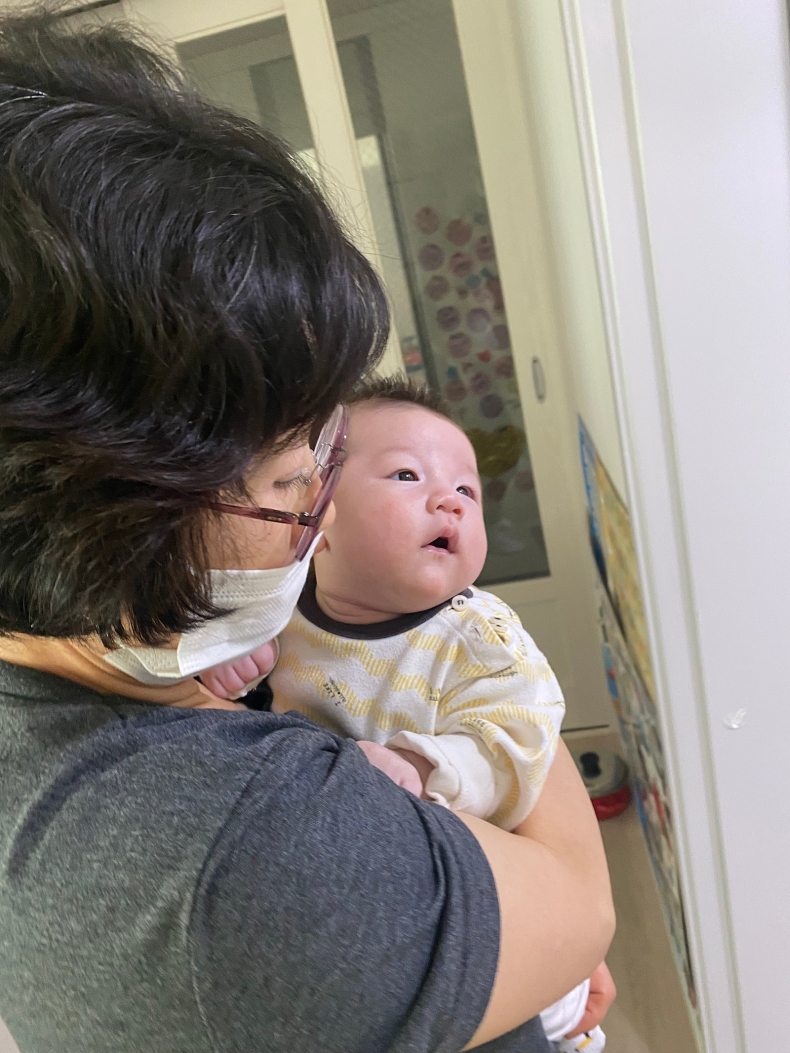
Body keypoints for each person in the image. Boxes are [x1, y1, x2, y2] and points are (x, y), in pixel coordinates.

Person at [0, 9, 615, 1053]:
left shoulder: (139, 668)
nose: (317, 503)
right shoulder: (237, 862)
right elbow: (580, 908)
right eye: (301, 476)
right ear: (121, 526)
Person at [204, 379, 611, 1051]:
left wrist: (421, 764)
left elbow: (516, 739)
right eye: (406, 475)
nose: (450, 499)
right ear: (316, 513)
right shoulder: (283, 603)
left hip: (488, 875)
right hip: (370, 877)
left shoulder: (480, 639)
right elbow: (242, 682)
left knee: (560, 1011)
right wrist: (228, 665)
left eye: (467, 490)